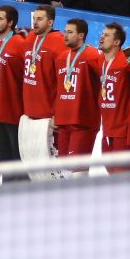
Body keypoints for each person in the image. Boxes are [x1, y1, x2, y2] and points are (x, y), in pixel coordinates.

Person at [19, 4, 67, 164]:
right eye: (34, 18)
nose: (35, 22)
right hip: (30, 113)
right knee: (34, 162)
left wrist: (57, 114)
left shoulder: (59, 42)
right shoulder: (31, 37)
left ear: (51, 23)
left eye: (40, 19)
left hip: (48, 116)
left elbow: (63, 82)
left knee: (52, 162)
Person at [53, 18, 103, 161]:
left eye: (70, 32)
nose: (65, 35)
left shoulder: (92, 55)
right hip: (63, 120)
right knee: (62, 167)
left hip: (83, 121)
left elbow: (105, 79)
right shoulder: (62, 57)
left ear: (81, 35)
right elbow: (57, 88)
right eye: (65, 32)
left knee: (76, 169)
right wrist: (54, 114)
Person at [0, 4, 27, 170]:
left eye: (0, 19)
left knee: (17, 159)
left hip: (14, 112)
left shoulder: (20, 43)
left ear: (10, 22)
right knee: (4, 160)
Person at [97, 22, 130, 158]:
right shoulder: (99, 60)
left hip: (123, 129)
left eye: (107, 35)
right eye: (102, 34)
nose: (102, 37)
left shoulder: (127, 58)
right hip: (106, 127)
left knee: (121, 173)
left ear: (117, 42)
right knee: (109, 168)